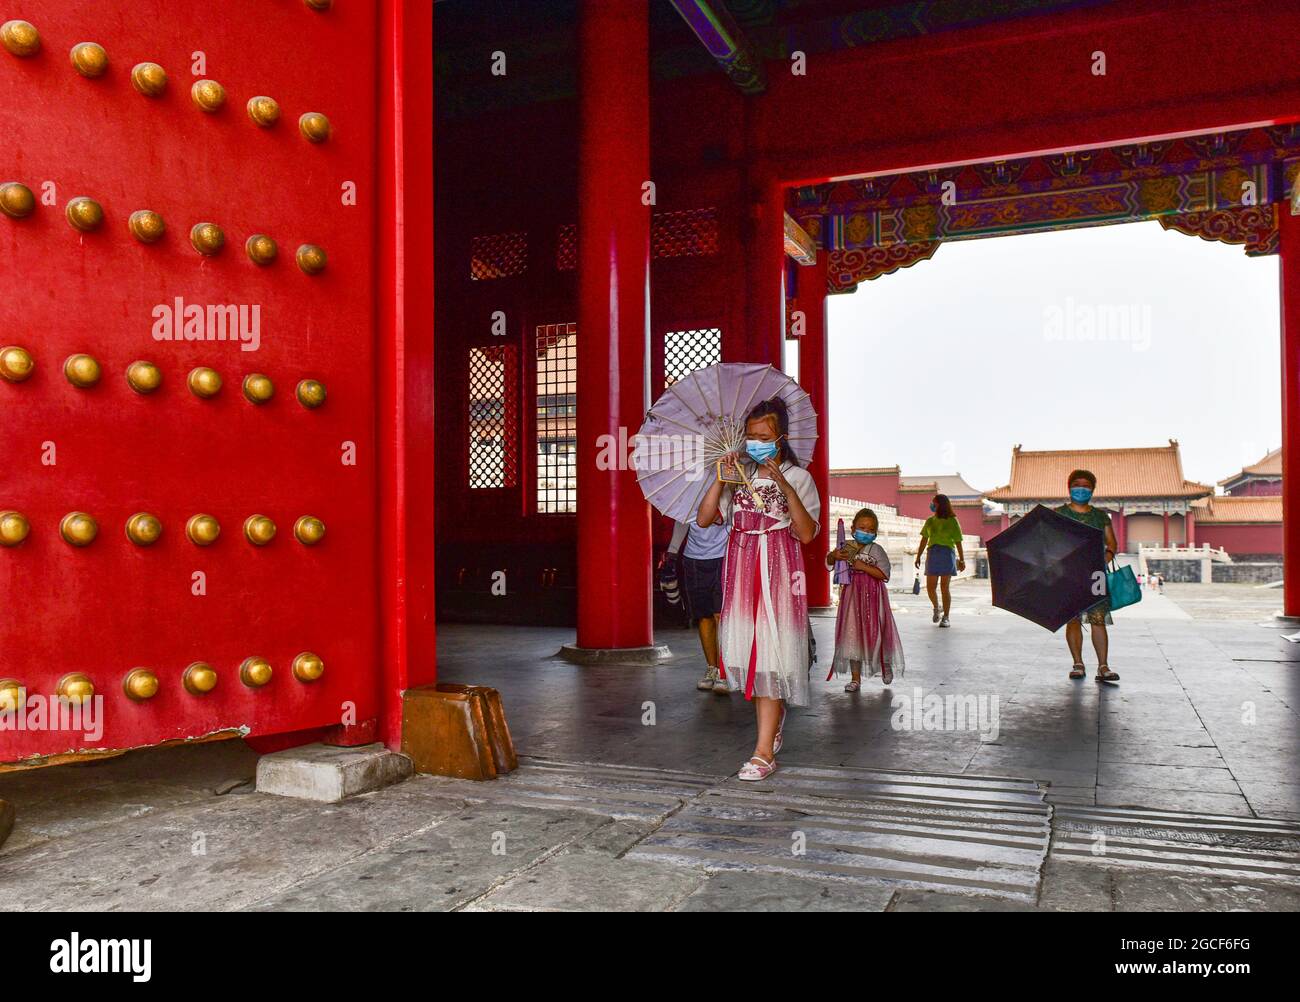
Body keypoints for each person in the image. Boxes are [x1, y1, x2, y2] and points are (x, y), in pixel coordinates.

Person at [698, 397, 820, 782]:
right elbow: (704, 520)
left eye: (763, 436)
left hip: (778, 572)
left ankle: (763, 751)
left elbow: (805, 532)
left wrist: (783, 485)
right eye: (750, 436)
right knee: (750, 653)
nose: (755, 442)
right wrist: (720, 477)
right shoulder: (736, 475)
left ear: (781, 438)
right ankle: (774, 721)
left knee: (772, 653)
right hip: (741, 568)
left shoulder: (799, 477)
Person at [825, 508, 904, 691]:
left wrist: (862, 566)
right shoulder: (847, 547)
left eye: (870, 530)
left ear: (875, 532)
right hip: (851, 599)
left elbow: (884, 574)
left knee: (877, 633)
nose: (866, 532)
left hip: (874, 599)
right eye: (862, 528)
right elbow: (828, 564)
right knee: (853, 635)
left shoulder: (877, 550)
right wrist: (834, 555)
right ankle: (855, 679)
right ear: (853, 528)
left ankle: (885, 666)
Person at [1055, 469, 1120, 683]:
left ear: (1092, 489)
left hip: (1095, 574)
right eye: (1076, 484)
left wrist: (1105, 558)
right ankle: (1078, 664)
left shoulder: (1100, 516)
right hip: (1068, 573)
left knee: (1097, 619)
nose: (1080, 489)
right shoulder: (1058, 514)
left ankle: (1103, 666)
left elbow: (1112, 543)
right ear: (1069, 487)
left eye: (1086, 485)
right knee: (1072, 620)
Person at [665, 518, 730, 694]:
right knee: (704, 616)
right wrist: (672, 554)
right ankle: (712, 668)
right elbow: (682, 521)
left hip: (724, 555)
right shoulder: (690, 493)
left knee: (721, 616)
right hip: (693, 559)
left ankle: (725, 672)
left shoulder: (731, 491)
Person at [914, 493, 965, 627]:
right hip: (933, 554)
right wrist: (918, 555)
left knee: (944, 587)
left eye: (934, 503)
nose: (931, 505)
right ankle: (937, 608)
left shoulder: (953, 521)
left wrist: (962, 559)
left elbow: (958, 541)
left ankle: (946, 617)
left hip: (947, 554)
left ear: (940, 505)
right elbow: (924, 539)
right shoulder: (930, 521)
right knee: (931, 587)